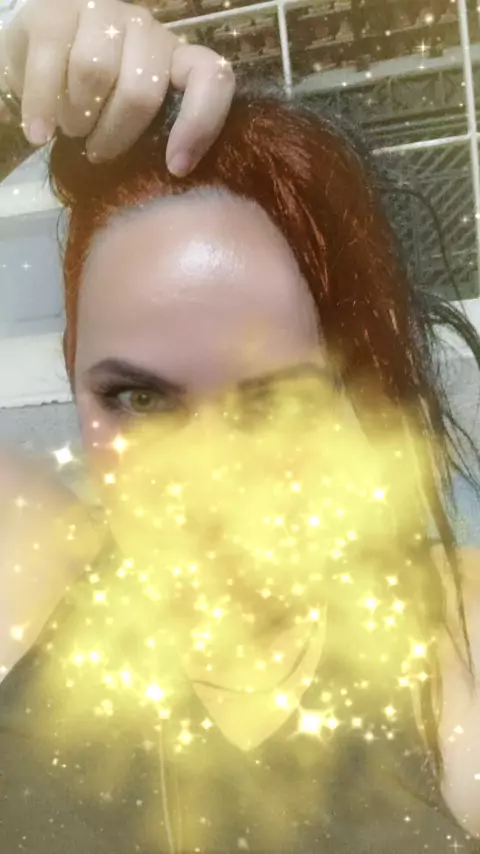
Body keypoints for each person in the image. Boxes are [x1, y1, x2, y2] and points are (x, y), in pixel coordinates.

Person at [1, 1, 480, 852]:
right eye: (139, 399)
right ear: (74, 373)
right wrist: (13, 110)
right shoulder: (29, 570)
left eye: (272, 404)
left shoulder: (452, 638)